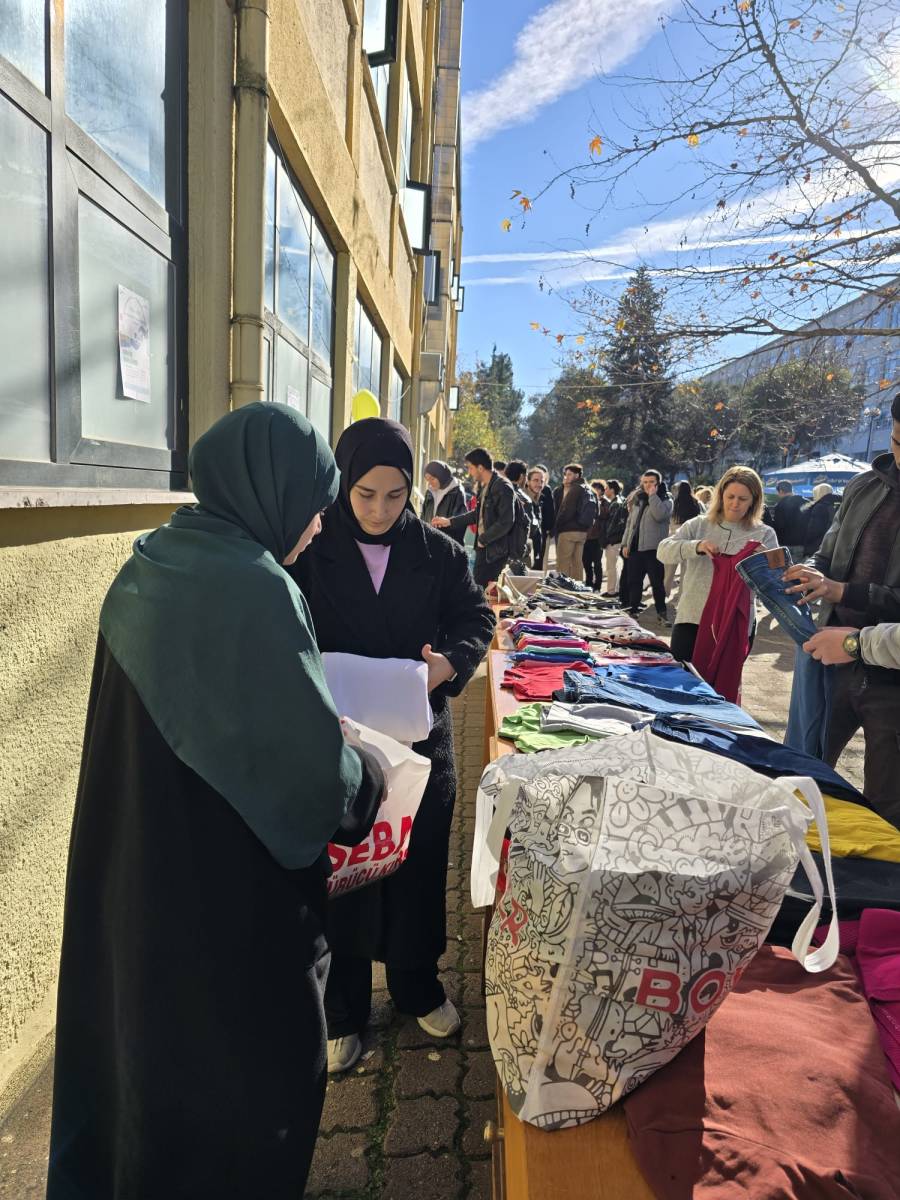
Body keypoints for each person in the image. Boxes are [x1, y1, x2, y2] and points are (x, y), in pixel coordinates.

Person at [46, 404, 386, 1200]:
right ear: (269, 490)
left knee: (141, 1068)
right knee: (240, 1096)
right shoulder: (255, 587)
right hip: (227, 905)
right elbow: (312, 785)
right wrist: (365, 770)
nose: (318, 525)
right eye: (313, 503)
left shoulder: (154, 560)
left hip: (139, 873)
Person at [292, 419, 494, 1072]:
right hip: (340, 745)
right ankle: (344, 1008)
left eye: (395, 494)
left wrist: (451, 663)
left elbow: (476, 617)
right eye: (365, 494)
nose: (380, 509)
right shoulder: (310, 546)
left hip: (420, 742)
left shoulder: (438, 552)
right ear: (343, 485)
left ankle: (416, 985)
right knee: (344, 873)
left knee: (416, 866)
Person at [782, 392, 900, 823]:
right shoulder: (862, 486)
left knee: (887, 805)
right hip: (833, 659)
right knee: (800, 778)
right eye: (898, 442)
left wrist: (840, 591)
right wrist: (811, 573)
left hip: (892, 674)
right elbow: (827, 553)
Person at [657, 466, 778, 690]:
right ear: (720, 495)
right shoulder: (698, 525)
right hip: (692, 618)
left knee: (722, 688)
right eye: (730, 496)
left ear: (754, 501)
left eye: (743, 499)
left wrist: (764, 562)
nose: (735, 504)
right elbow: (663, 551)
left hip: (735, 623)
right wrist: (696, 546)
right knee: (681, 684)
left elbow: (776, 580)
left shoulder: (764, 534)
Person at [434, 447, 516, 588]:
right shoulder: (486, 486)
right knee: (479, 588)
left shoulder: (502, 486)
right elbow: (477, 514)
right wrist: (449, 521)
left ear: (480, 467)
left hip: (495, 552)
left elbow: (506, 521)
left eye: (470, 468)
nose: (469, 472)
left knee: (482, 590)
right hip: (485, 549)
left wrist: (483, 539)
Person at [621, 469, 673, 621]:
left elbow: (660, 516)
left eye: (651, 482)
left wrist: (653, 496)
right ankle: (633, 610)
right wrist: (625, 544)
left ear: (658, 483)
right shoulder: (638, 499)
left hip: (654, 550)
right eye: (645, 482)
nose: (648, 485)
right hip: (635, 548)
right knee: (634, 581)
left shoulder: (666, 499)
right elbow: (630, 524)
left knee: (657, 583)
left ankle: (661, 613)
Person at [552, 463, 598, 581]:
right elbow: (596, 512)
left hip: (568, 531)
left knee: (563, 564)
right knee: (577, 564)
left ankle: (562, 589)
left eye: (569, 474)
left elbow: (567, 510)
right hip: (582, 532)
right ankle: (577, 587)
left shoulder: (575, 488)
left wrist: (557, 525)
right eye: (566, 474)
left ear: (577, 475)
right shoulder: (589, 489)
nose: (566, 477)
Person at [664, 480, 703, 597]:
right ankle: (681, 595)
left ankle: (664, 593)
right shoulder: (696, 503)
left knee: (669, 570)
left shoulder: (675, 503)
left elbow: (669, 520)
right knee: (685, 571)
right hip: (690, 538)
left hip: (674, 537)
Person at [420, 459, 469, 543]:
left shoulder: (456, 491)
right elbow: (423, 517)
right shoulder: (429, 492)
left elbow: (460, 523)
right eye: (427, 480)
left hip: (449, 544)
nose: (430, 483)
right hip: (430, 543)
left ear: (441, 476)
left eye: (432, 479)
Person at [505, 459, 541, 571]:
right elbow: (532, 527)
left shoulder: (496, 492)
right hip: (518, 550)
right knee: (520, 580)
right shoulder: (524, 498)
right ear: (521, 476)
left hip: (496, 550)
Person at [582, 478, 609, 590]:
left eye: (598, 489)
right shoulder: (588, 500)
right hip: (586, 537)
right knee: (586, 562)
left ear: (602, 490)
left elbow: (604, 515)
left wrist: (598, 504)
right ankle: (588, 583)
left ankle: (598, 585)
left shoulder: (605, 502)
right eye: (594, 488)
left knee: (597, 563)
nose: (596, 491)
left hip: (598, 538)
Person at [601, 479, 627, 596]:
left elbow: (612, 525)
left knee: (611, 566)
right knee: (615, 566)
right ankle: (615, 589)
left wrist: (607, 538)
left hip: (613, 540)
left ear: (612, 490)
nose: (604, 490)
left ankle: (612, 591)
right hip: (618, 539)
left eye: (606, 488)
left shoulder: (616, 504)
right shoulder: (621, 500)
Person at [801, 482, 840, 557]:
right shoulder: (837, 504)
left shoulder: (819, 507)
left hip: (817, 547)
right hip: (832, 545)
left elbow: (814, 530)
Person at [772, 479, 809, 558]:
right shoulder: (806, 502)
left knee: (785, 565)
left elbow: (779, 525)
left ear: (781, 491)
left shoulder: (779, 505)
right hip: (802, 543)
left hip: (784, 544)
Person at [533, 463, 557, 568]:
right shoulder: (527, 487)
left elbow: (550, 510)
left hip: (542, 528)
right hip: (532, 527)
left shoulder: (546, 489)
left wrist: (549, 528)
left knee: (540, 557)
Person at [525, 466, 549, 566]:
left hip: (534, 549)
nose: (539, 484)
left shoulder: (539, 499)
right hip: (523, 551)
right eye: (535, 480)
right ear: (528, 481)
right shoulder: (522, 500)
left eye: (541, 481)